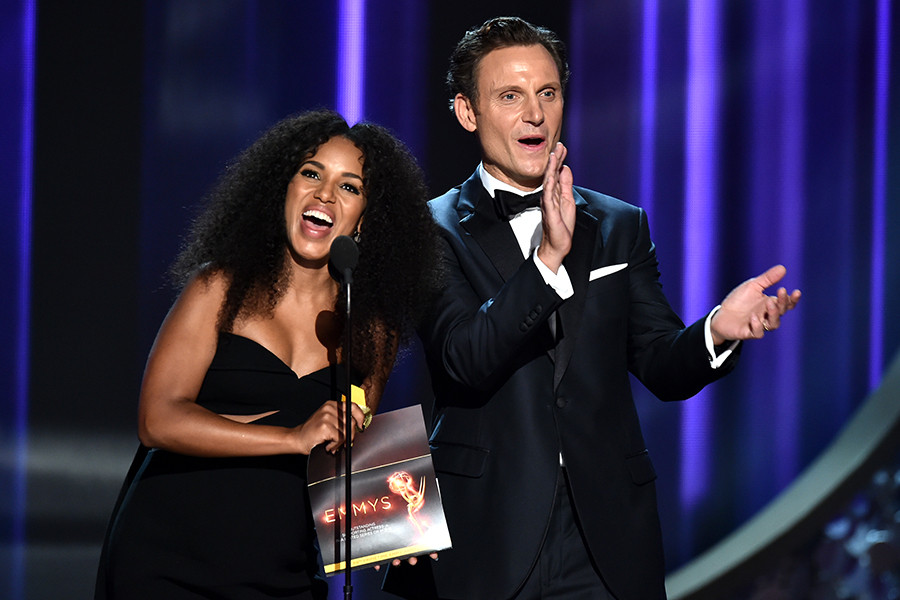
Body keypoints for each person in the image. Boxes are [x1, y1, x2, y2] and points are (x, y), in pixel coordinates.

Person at [383, 17, 801, 600]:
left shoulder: (619, 225)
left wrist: (716, 331)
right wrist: (548, 261)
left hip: (605, 535)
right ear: (467, 112)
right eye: (511, 96)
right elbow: (464, 357)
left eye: (547, 93)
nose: (535, 114)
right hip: (487, 532)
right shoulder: (429, 229)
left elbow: (659, 363)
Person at [95, 109, 439, 599]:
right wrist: (291, 437)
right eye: (311, 172)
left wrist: (394, 522)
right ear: (284, 187)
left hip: (284, 574)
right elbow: (157, 420)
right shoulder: (218, 287)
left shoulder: (371, 332)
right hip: (167, 561)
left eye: (349, 186)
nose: (324, 193)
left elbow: (349, 455)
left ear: (366, 220)